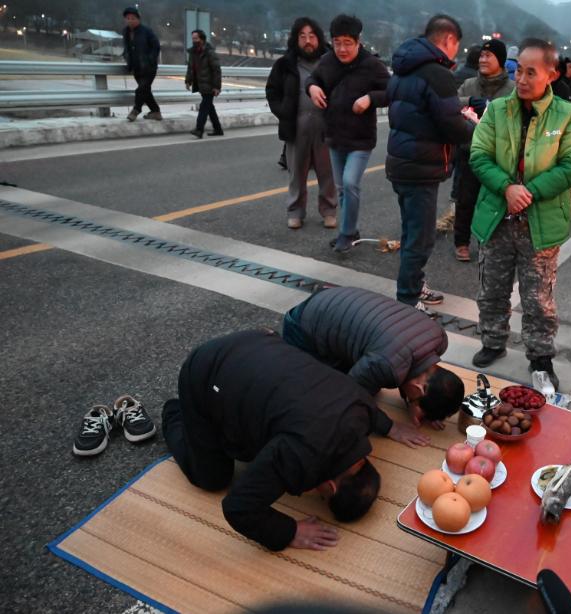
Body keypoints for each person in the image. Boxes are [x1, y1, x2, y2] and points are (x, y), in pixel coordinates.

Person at [162, 329, 382, 552]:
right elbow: (238, 507)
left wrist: (392, 428)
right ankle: (176, 413)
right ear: (330, 487)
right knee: (211, 478)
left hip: (260, 341)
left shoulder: (363, 409)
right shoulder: (299, 452)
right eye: (322, 498)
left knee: (252, 446)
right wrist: (289, 531)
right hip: (205, 369)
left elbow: (375, 413)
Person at [468, 38, 571, 389]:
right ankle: (492, 340)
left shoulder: (568, 115)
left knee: (538, 297)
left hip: (540, 220)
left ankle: (540, 356)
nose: (520, 78)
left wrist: (529, 192)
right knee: (492, 288)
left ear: (551, 74)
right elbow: (478, 155)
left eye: (530, 72)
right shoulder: (497, 109)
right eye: (518, 70)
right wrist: (506, 187)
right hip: (497, 217)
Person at [281, 286, 464, 438]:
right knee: (330, 405)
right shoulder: (384, 364)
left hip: (336, 300)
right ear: (418, 389)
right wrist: (391, 428)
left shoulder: (438, 337)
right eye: (414, 398)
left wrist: (414, 403)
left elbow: (406, 356)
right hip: (303, 327)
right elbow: (352, 394)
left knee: (370, 386)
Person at [386, 15, 475, 312]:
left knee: (411, 232)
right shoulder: (437, 74)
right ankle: (408, 301)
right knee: (420, 240)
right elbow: (451, 125)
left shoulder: (403, 68)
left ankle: (413, 285)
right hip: (420, 167)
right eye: (456, 46)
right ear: (449, 40)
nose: (455, 53)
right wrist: (474, 128)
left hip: (401, 162)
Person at [307, 15, 391, 253]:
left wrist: (370, 98)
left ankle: (346, 233)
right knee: (342, 188)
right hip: (333, 134)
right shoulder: (327, 61)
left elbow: (392, 90)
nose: (342, 49)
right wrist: (312, 87)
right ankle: (350, 229)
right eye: (337, 43)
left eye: (347, 43)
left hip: (360, 138)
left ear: (358, 41)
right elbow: (314, 78)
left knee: (350, 182)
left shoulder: (372, 66)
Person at [266, 18, 338, 231]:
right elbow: (272, 91)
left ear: (319, 38)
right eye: (303, 36)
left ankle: (329, 211)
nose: (308, 41)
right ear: (296, 39)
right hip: (296, 125)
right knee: (296, 173)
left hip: (326, 125)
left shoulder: (330, 62)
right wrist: (283, 112)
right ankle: (295, 212)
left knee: (328, 173)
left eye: (312, 36)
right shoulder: (285, 64)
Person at [453, 38, 514, 262]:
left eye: (489, 56)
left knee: (492, 201)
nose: (483, 59)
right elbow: (449, 103)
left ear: (501, 60)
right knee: (465, 198)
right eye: (481, 56)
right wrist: (468, 100)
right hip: (469, 150)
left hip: (498, 155)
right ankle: (461, 242)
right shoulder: (469, 84)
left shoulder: (512, 89)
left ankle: (487, 243)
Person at [121, 7, 161, 122]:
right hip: (136, 68)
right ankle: (156, 112)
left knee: (140, 90)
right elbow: (127, 48)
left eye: (133, 18)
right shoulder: (125, 32)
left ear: (138, 19)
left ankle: (136, 110)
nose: (130, 21)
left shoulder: (146, 31)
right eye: (128, 18)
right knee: (145, 91)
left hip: (149, 68)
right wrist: (127, 59)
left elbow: (156, 46)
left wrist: (150, 60)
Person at [185, 30, 223, 139]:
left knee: (204, 106)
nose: (194, 41)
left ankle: (199, 129)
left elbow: (217, 70)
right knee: (209, 107)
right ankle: (218, 129)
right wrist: (188, 80)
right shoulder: (193, 52)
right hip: (200, 84)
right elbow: (190, 68)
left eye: (196, 38)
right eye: (193, 38)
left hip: (210, 85)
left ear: (202, 39)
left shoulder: (209, 52)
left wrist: (217, 87)